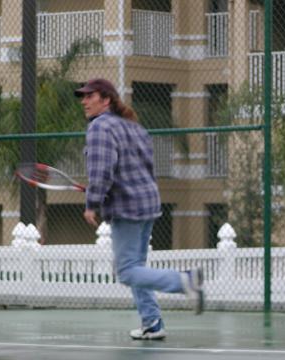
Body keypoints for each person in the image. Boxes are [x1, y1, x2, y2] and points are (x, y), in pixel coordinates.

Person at [75, 78, 204, 340]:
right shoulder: (132, 126)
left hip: (128, 209)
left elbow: (102, 171)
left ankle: (186, 282)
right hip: (148, 203)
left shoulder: (99, 127)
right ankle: (152, 322)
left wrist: (92, 203)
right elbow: (139, 167)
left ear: (106, 99)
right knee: (137, 267)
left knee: (127, 271)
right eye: (83, 97)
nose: (84, 101)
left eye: (90, 96)